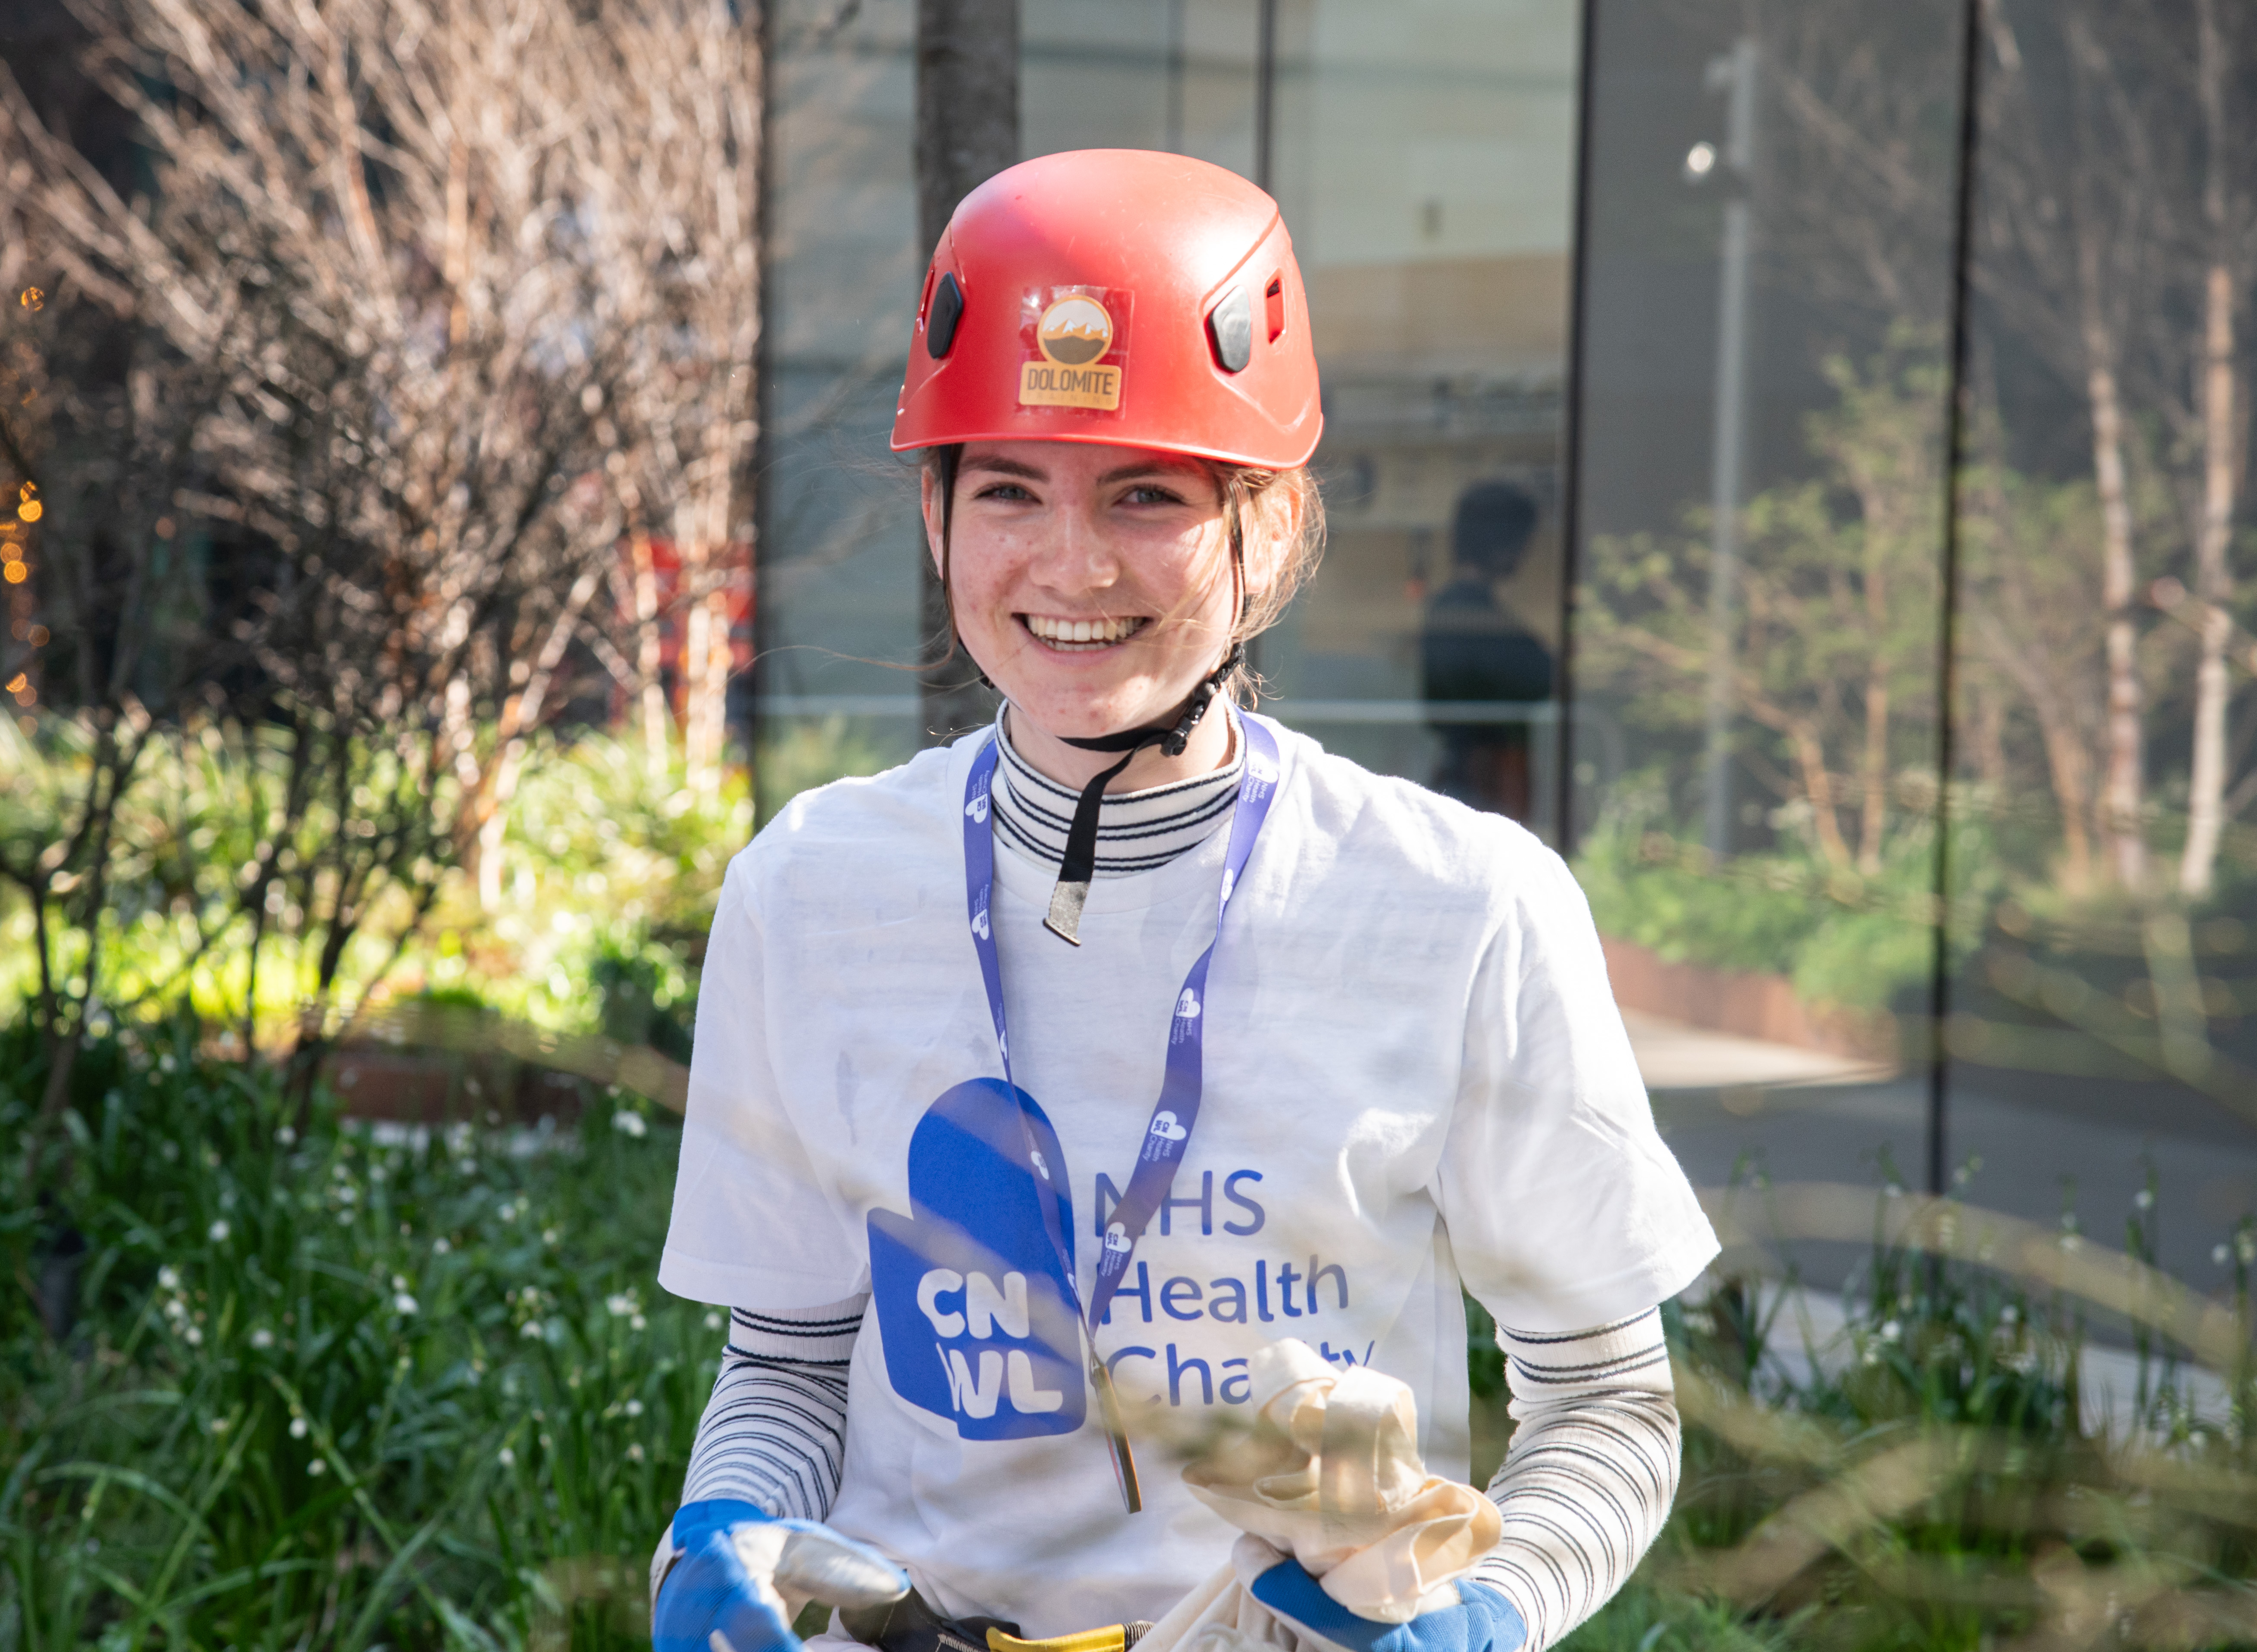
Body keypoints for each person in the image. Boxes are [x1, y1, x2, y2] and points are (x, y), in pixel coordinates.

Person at [650, 149, 1716, 1652]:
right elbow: (786, 1367)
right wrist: (718, 1533)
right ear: (936, 515)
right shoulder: (809, 892)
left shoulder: (1460, 906)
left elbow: (1604, 1400)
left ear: (1264, 526)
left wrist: (1488, 1612)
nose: (1069, 563)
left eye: (1144, 493)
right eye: (1007, 488)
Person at [1420, 483, 1553, 823]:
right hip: (1481, 776)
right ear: (1504, 545)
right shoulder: (1468, 614)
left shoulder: (1453, 608)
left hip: (1471, 772)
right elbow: (1537, 675)